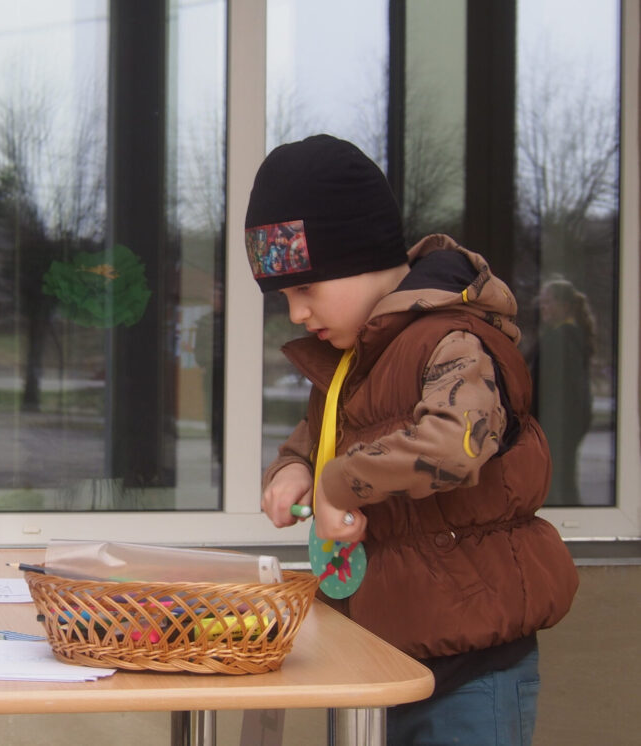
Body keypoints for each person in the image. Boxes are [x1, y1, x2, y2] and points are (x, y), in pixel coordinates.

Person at [247, 135, 578, 745]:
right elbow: (321, 438)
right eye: (285, 296)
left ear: (362, 258)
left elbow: (455, 443)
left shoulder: (452, 339)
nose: (296, 314)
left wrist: (337, 485)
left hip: (470, 669)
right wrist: (294, 469)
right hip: (376, 658)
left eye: (307, 289)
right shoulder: (352, 359)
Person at [529, 277, 596, 504]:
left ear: (565, 306)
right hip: (563, 422)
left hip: (559, 423)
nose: (543, 307)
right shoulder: (566, 337)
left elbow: (562, 388)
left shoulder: (562, 339)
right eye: (542, 302)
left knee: (558, 481)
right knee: (562, 478)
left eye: (548, 302)